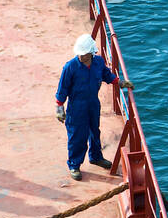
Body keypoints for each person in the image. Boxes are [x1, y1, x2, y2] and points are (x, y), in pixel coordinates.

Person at [55, 34, 134, 181]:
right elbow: (63, 88)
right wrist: (59, 107)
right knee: (77, 136)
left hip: (93, 104)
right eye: (79, 54)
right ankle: (74, 165)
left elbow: (106, 74)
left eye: (84, 54)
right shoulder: (70, 67)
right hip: (76, 107)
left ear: (91, 53)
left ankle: (96, 157)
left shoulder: (98, 62)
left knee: (94, 131)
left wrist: (119, 82)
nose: (81, 57)